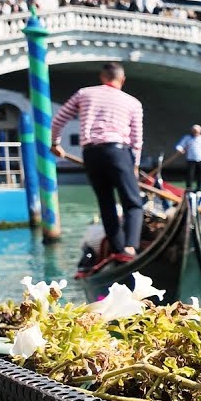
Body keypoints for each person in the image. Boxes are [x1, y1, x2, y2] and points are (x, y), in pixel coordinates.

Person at [51, 62, 144, 263]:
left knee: (106, 202)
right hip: (118, 152)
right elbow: (136, 140)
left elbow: (58, 119)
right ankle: (130, 247)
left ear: (102, 78)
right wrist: (134, 165)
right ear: (122, 79)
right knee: (133, 203)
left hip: (91, 153)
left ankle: (118, 249)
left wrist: (55, 144)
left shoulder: (84, 94)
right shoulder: (132, 103)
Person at [174, 124, 201, 192]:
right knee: (190, 175)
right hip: (191, 160)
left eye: (197, 131)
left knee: (200, 175)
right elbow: (179, 146)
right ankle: (189, 189)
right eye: (194, 131)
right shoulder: (187, 138)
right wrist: (180, 150)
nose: (195, 132)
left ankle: (199, 189)